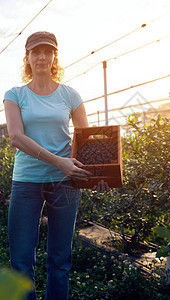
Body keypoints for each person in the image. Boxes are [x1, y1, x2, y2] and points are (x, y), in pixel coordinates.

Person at [3, 31, 109, 300]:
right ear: (27, 57)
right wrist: (58, 161)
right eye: (35, 52)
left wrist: (99, 174)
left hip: (64, 184)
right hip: (26, 182)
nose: (41, 56)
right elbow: (16, 136)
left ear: (54, 57)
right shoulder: (15, 94)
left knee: (60, 260)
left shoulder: (70, 95)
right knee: (21, 260)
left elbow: (86, 142)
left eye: (47, 51)